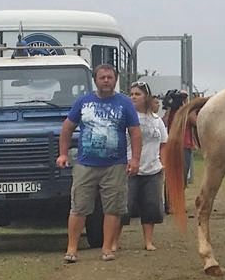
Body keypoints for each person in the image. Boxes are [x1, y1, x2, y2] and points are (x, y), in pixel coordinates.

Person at [57, 63, 142, 262]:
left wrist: (135, 159)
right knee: (79, 207)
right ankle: (72, 249)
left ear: (115, 79)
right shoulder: (83, 102)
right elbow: (67, 128)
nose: (106, 81)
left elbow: (135, 132)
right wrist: (62, 154)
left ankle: (107, 248)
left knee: (112, 208)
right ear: (95, 80)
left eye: (110, 77)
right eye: (102, 77)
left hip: (115, 164)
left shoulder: (124, 103)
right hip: (86, 164)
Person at [127, 82, 169, 251]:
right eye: (132, 94)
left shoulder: (157, 120)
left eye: (137, 94)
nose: (134, 97)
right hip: (130, 168)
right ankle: (114, 241)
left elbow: (164, 142)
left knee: (151, 206)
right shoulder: (128, 118)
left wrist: (162, 162)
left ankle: (148, 241)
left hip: (152, 168)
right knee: (124, 207)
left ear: (146, 97)